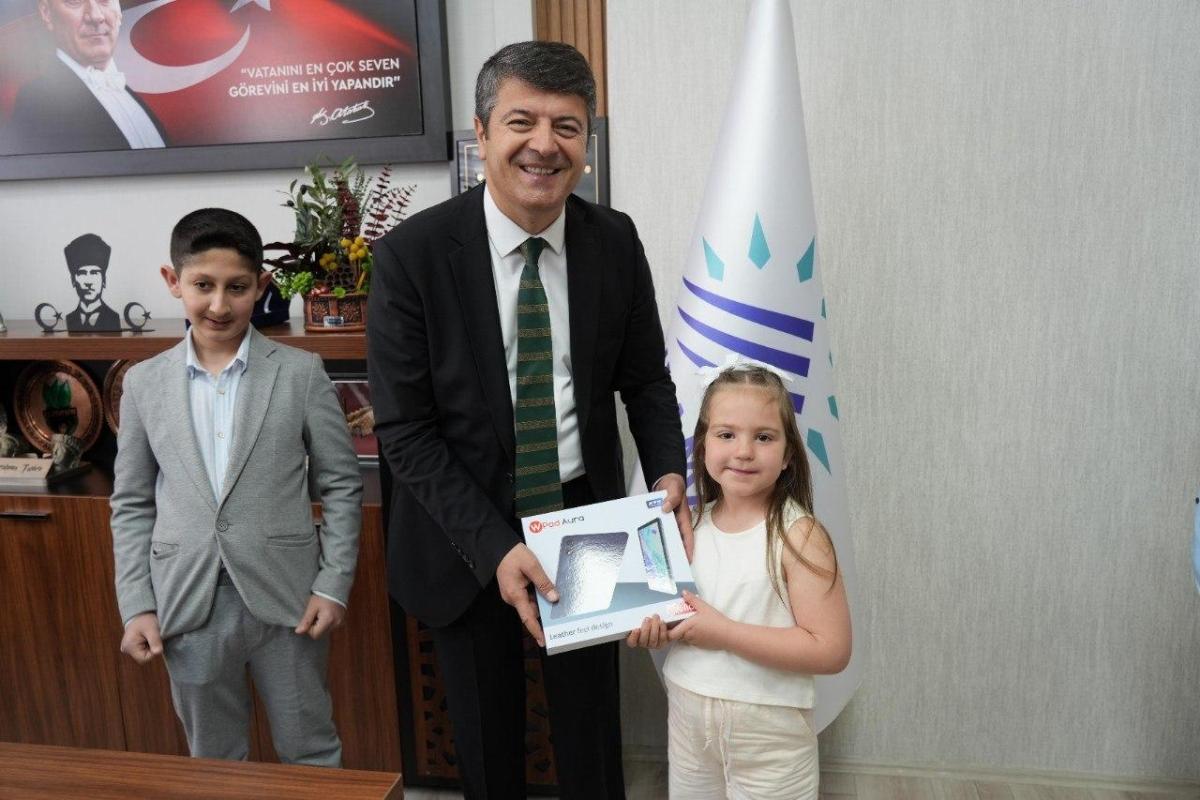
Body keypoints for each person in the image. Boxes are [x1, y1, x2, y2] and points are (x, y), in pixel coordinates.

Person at [368, 41, 689, 800]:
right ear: (481, 135)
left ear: (585, 142)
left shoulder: (615, 240)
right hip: (462, 528)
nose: (544, 144)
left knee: (590, 743)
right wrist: (497, 545)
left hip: (584, 519)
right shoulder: (412, 256)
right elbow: (405, 431)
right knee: (488, 752)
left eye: (566, 126)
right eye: (522, 122)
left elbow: (646, 382)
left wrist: (669, 473)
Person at [111, 208, 362, 765]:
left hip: (289, 599)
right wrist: (136, 604)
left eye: (237, 287)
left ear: (262, 285)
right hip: (186, 602)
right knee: (215, 760)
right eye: (203, 285)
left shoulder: (300, 373)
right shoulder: (143, 384)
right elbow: (130, 503)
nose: (219, 305)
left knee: (311, 750)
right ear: (173, 281)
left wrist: (333, 584)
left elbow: (342, 484)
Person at [627, 364, 852, 799]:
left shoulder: (799, 536)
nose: (744, 451)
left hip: (771, 738)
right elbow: (677, 618)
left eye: (764, 437)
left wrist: (724, 633)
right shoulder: (688, 528)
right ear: (703, 446)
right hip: (689, 721)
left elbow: (831, 649)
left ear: (788, 455)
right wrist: (656, 627)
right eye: (726, 434)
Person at [2, 0, 166, 155]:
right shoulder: (36, 101)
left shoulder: (127, 94)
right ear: (47, 13)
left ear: (119, 12)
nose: (96, 16)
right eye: (75, 1)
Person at [62, 233, 120, 331]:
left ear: (104, 280)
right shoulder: (70, 318)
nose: (88, 282)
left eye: (94, 273)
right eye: (82, 273)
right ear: (73, 280)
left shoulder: (113, 318)